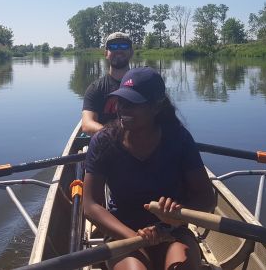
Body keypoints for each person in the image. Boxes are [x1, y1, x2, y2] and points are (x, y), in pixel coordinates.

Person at [83, 67, 216, 270]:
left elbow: (206, 198)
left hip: (173, 230)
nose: (122, 109)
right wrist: (137, 237)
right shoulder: (103, 141)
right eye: (120, 101)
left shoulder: (178, 139)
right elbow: (91, 205)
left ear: (156, 107)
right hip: (122, 232)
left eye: (132, 103)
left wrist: (177, 216)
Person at [81, 32, 134, 134]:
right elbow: (87, 125)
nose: (118, 50)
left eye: (124, 45)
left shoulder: (142, 85)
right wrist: (117, 135)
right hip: (107, 144)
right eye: (113, 46)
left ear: (131, 52)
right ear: (106, 54)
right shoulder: (95, 88)